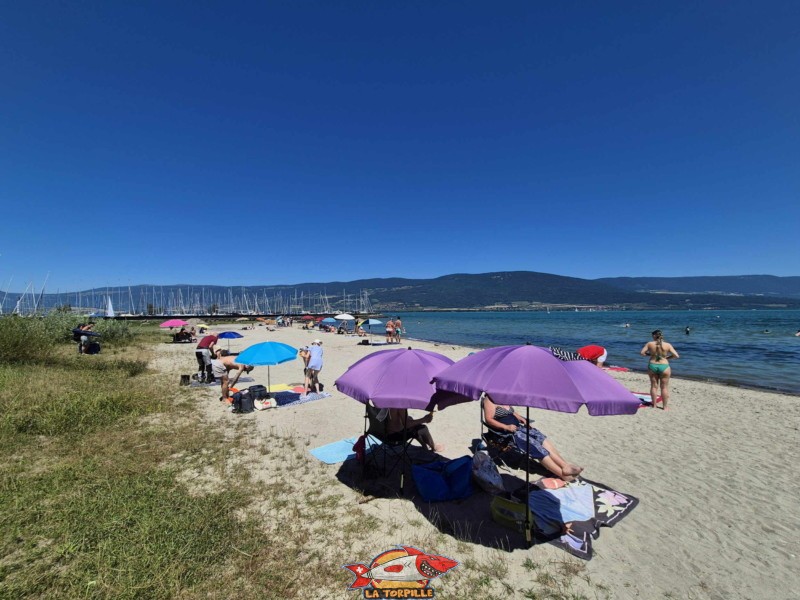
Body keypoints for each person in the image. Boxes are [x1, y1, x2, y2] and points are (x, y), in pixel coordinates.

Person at [483, 394, 583, 482]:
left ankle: (565, 465)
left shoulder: (501, 396)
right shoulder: (489, 400)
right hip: (506, 434)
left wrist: (521, 418)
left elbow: (511, 412)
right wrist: (506, 427)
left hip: (518, 428)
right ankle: (562, 474)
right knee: (534, 445)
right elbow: (489, 420)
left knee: (540, 437)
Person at [640, 329, 680, 410]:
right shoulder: (667, 345)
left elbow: (642, 353)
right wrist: (668, 357)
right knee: (664, 387)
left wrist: (650, 355)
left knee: (654, 387)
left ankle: (654, 405)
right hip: (664, 366)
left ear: (654, 336)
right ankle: (665, 407)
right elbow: (676, 356)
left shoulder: (649, 344)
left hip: (652, 365)